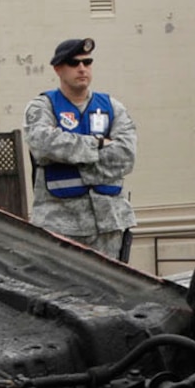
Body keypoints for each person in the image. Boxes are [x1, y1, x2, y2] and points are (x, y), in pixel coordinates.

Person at [23, 37, 137, 259]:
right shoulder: (42, 106)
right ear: (58, 69)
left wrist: (72, 156)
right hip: (60, 225)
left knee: (110, 288)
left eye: (87, 62)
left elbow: (126, 156)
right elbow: (44, 145)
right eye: (74, 64)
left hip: (109, 225)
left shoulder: (112, 107)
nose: (82, 69)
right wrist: (98, 144)